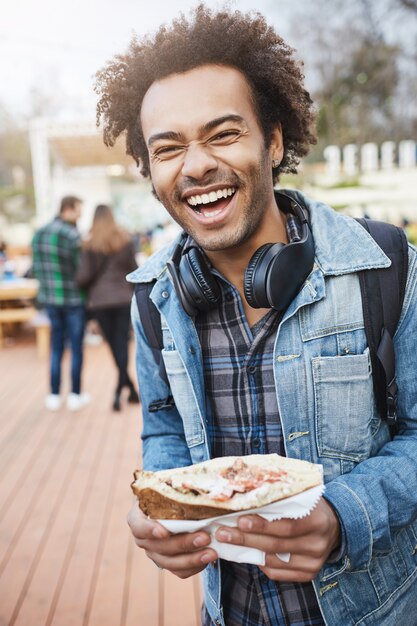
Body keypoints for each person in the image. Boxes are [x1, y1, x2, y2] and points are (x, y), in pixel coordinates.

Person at [95, 6, 417, 626]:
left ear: (273, 140)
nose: (195, 166)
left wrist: (345, 514)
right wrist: (163, 499)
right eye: (168, 148)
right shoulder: (152, 297)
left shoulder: (388, 267)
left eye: (222, 134)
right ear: (149, 170)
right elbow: (163, 426)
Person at [76, 204, 140, 411]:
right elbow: (134, 271)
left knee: (114, 346)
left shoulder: (89, 244)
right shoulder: (125, 240)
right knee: (121, 344)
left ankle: (118, 391)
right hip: (123, 299)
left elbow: (84, 277)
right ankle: (129, 388)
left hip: (101, 301)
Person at [32, 195, 90, 412]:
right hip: (73, 299)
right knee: (76, 347)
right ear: (67, 209)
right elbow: (82, 271)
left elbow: (36, 267)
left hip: (49, 299)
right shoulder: (72, 235)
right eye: (78, 211)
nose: (80, 216)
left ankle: (54, 394)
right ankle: (75, 393)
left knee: (56, 347)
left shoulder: (39, 233)